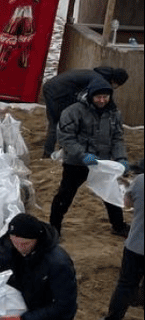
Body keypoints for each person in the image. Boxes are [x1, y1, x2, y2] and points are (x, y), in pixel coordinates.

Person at [0, 213, 77, 320]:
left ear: (37, 239)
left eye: (25, 244)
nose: (19, 247)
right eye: (15, 242)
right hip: (19, 318)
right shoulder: (8, 248)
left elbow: (65, 306)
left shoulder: (58, 263)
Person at [50, 76, 129, 235]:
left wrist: (121, 157)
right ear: (91, 95)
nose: (102, 100)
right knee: (65, 195)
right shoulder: (74, 111)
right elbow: (66, 138)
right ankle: (54, 228)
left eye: (105, 97)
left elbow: (117, 138)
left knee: (110, 194)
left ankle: (118, 226)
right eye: (98, 97)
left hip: (101, 162)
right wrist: (82, 155)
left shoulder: (113, 113)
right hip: (77, 163)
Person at [39, 66, 128, 158]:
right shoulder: (99, 80)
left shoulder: (96, 75)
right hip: (58, 93)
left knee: (64, 121)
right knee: (58, 122)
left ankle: (60, 150)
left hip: (55, 88)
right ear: (115, 81)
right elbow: (86, 97)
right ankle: (49, 153)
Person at [96, 164, 142, 320]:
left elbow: (127, 203)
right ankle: (140, 298)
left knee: (125, 284)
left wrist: (130, 186)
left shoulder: (140, 181)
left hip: (137, 245)